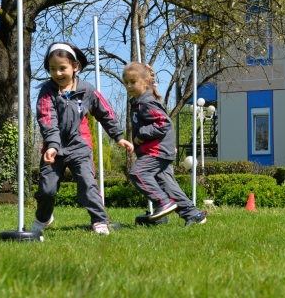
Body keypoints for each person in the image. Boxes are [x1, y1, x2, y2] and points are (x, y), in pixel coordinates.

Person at [32, 42, 134, 235]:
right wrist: (52, 146)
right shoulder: (47, 91)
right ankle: (44, 217)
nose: (58, 73)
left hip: (80, 146)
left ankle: (99, 220)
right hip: (54, 149)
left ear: (75, 67)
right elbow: (47, 119)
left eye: (63, 68)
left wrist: (118, 137)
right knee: (47, 190)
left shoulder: (87, 90)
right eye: (52, 69)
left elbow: (105, 112)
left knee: (88, 184)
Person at [124, 62, 207, 226]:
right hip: (157, 150)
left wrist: (141, 134)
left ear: (145, 81)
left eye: (132, 82)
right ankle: (193, 214)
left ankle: (162, 204)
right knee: (168, 185)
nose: (128, 86)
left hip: (156, 151)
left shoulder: (146, 102)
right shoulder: (139, 102)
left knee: (137, 173)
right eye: (126, 82)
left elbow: (164, 123)